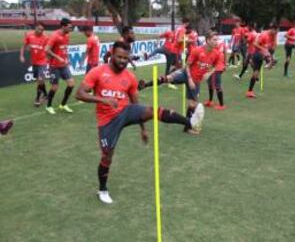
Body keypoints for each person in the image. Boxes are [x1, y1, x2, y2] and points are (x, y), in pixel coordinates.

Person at [75, 41, 204, 204]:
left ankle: (190, 122)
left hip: (126, 111)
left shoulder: (129, 77)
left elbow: (136, 105)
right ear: (112, 55)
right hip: (107, 121)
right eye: (119, 57)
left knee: (151, 110)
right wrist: (102, 100)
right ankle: (102, 189)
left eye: (125, 58)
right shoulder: (98, 72)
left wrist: (142, 128)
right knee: (107, 157)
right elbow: (79, 94)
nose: (122, 60)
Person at [142, 31, 220, 131]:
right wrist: (190, 79)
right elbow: (187, 66)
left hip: (196, 81)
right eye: (214, 40)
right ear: (208, 40)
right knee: (168, 78)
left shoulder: (217, 54)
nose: (216, 42)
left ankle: (187, 128)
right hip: (185, 74)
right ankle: (145, 85)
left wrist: (209, 73)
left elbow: (216, 65)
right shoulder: (197, 50)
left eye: (217, 40)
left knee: (192, 104)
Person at [44, 18, 75, 114]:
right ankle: (48, 106)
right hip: (54, 66)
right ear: (63, 26)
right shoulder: (55, 36)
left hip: (63, 65)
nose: (71, 29)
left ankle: (63, 104)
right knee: (55, 87)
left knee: (71, 84)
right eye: (69, 27)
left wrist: (67, 59)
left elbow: (65, 49)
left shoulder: (67, 35)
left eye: (71, 27)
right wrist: (57, 57)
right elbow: (46, 49)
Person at [20, 22, 49, 107]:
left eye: (42, 30)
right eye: (39, 29)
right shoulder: (29, 36)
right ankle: (46, 95)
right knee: (39, 81)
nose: (41, 31)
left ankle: (37, 98)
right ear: (35, 28)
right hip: (34, 62)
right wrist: (21, 55)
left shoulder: (46, 38)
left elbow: (49, 48)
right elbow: (23, 46)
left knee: (40, 79)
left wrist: (48, 58)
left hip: (43, 61)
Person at [245, 24, 278, 98]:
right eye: (275, 31)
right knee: (257, 71)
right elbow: (255, 43)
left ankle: (249, 91)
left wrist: (271, 53)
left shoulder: (274, 35)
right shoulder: (264, 35)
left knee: (256, 73)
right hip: (257, 53)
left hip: (264, 53)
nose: (276, 33)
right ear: (272, 29)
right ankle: (268, 62)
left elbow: (273, 46)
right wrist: (263, 49)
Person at [204, 39, 227, 110]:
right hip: (212, 66)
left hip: (217, 67)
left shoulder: (215, 45)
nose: (214, 41)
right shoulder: (215, 44)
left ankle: (221, 105)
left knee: (217, 85)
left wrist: (224, 64)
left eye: (215, 39)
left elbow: (224, 53)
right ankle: (210, 101)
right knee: (210, 84)